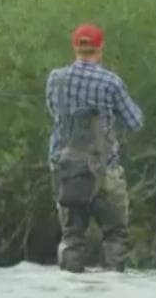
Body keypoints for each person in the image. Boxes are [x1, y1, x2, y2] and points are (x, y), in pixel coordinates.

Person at [46, 23, 144, 272]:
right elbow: (135, 122)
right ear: (100, 48)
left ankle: (69, 291)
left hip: (66, 172)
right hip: (105, 171)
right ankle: (113, 289)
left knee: (72, 238)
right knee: (115, 235)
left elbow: (53, 112)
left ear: (74, 47)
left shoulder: (55, 79)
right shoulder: (111, 82)